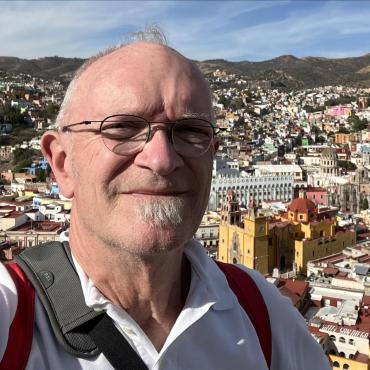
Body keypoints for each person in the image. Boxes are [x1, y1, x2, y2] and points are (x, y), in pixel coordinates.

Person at [0, 31, 331, 370]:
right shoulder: (11, 317)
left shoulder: (261, 312)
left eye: (190, 131)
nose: (161, 159)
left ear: (212, 158)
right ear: (62, 164)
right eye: (123, 127)